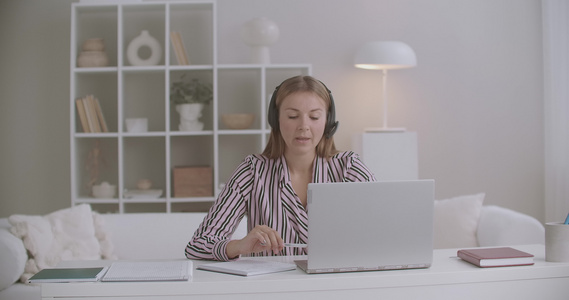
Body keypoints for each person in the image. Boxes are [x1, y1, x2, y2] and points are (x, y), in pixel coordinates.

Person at [185, 75, 376, 261]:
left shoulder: (349, 168)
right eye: (293, 116)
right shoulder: (252, 171)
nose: (304, 126)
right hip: (272, 290)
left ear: (328, 121)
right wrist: (239, 245)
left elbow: (386, 231)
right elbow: (198, 245)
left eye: (315, 117)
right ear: (276, 120)